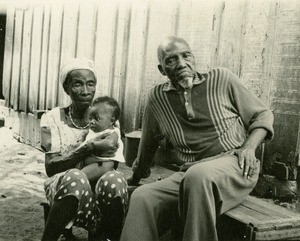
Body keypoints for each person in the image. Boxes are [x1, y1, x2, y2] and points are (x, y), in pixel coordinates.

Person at [121, 36, 274, 241]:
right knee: (142, 197)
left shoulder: (222, 79)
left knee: (197, 175)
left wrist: (249, 148)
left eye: (186, 55)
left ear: (194, 58)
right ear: (161, 69)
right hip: (191, 174)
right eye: (171, 60)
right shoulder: (156, 98)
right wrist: (136, 177)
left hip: (236, 166)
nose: (182, 63)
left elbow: (263, 114)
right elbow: (147, 145)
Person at [40, 58, 128, 241]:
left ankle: (105, 237)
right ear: (67, 88)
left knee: (116, 179)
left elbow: (111, 161)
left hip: (96, 179)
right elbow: (51, 169)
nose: (86, 91)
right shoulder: (52, 118)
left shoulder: (107, 115)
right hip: (63, 182)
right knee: (76, 176)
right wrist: (86, 149)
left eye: (90, 84)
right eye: (78, 84)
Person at [77, 96, 125, 190]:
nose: (92, 122)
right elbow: (83, 135)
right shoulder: (93, 130)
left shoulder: (112, 132)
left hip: (102, 165)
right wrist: (80, 141)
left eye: (97, 119)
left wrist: (90, 145)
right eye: (90, 118)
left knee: (78, 179)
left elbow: (109, 143)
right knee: (82, 180)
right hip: (91, 163)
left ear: (111, 121)